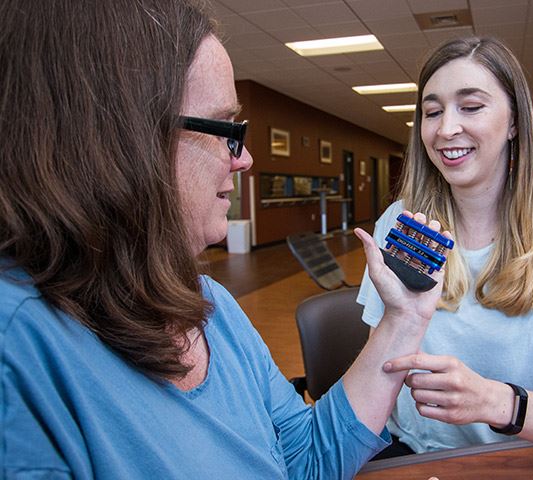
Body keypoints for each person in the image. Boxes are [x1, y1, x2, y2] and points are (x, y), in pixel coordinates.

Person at [0, 1, 452, 478]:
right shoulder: (19, 354)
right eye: (226, 130)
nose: (245, 159)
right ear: (117, 140)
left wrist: (402, 318)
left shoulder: (206, 302)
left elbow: (304, 458)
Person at [358, 36, 533, 459]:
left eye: (471, 107)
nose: (446, 128)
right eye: (432, 112)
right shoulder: (401, 226)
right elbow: (376, 378)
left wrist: (498, 403)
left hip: (528, 458)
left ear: (513, 123)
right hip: (412, 454)